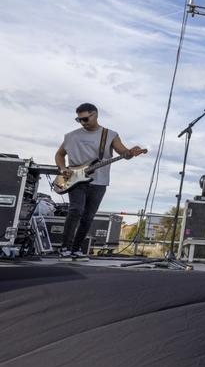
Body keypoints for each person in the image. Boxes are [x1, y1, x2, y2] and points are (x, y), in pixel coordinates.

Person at [55, 103, 144, 261]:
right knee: (76, 210)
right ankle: (64, 249)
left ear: (95, 115)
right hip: (75, 180)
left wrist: (131, 152)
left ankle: (76, 250)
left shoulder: (109, 135)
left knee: (88, 217)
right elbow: (59, 155)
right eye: (79, 120)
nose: (82, 123)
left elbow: (124, 153)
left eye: (85, 119)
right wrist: (63, 169)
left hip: (100, 182)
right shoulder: (71, 136)